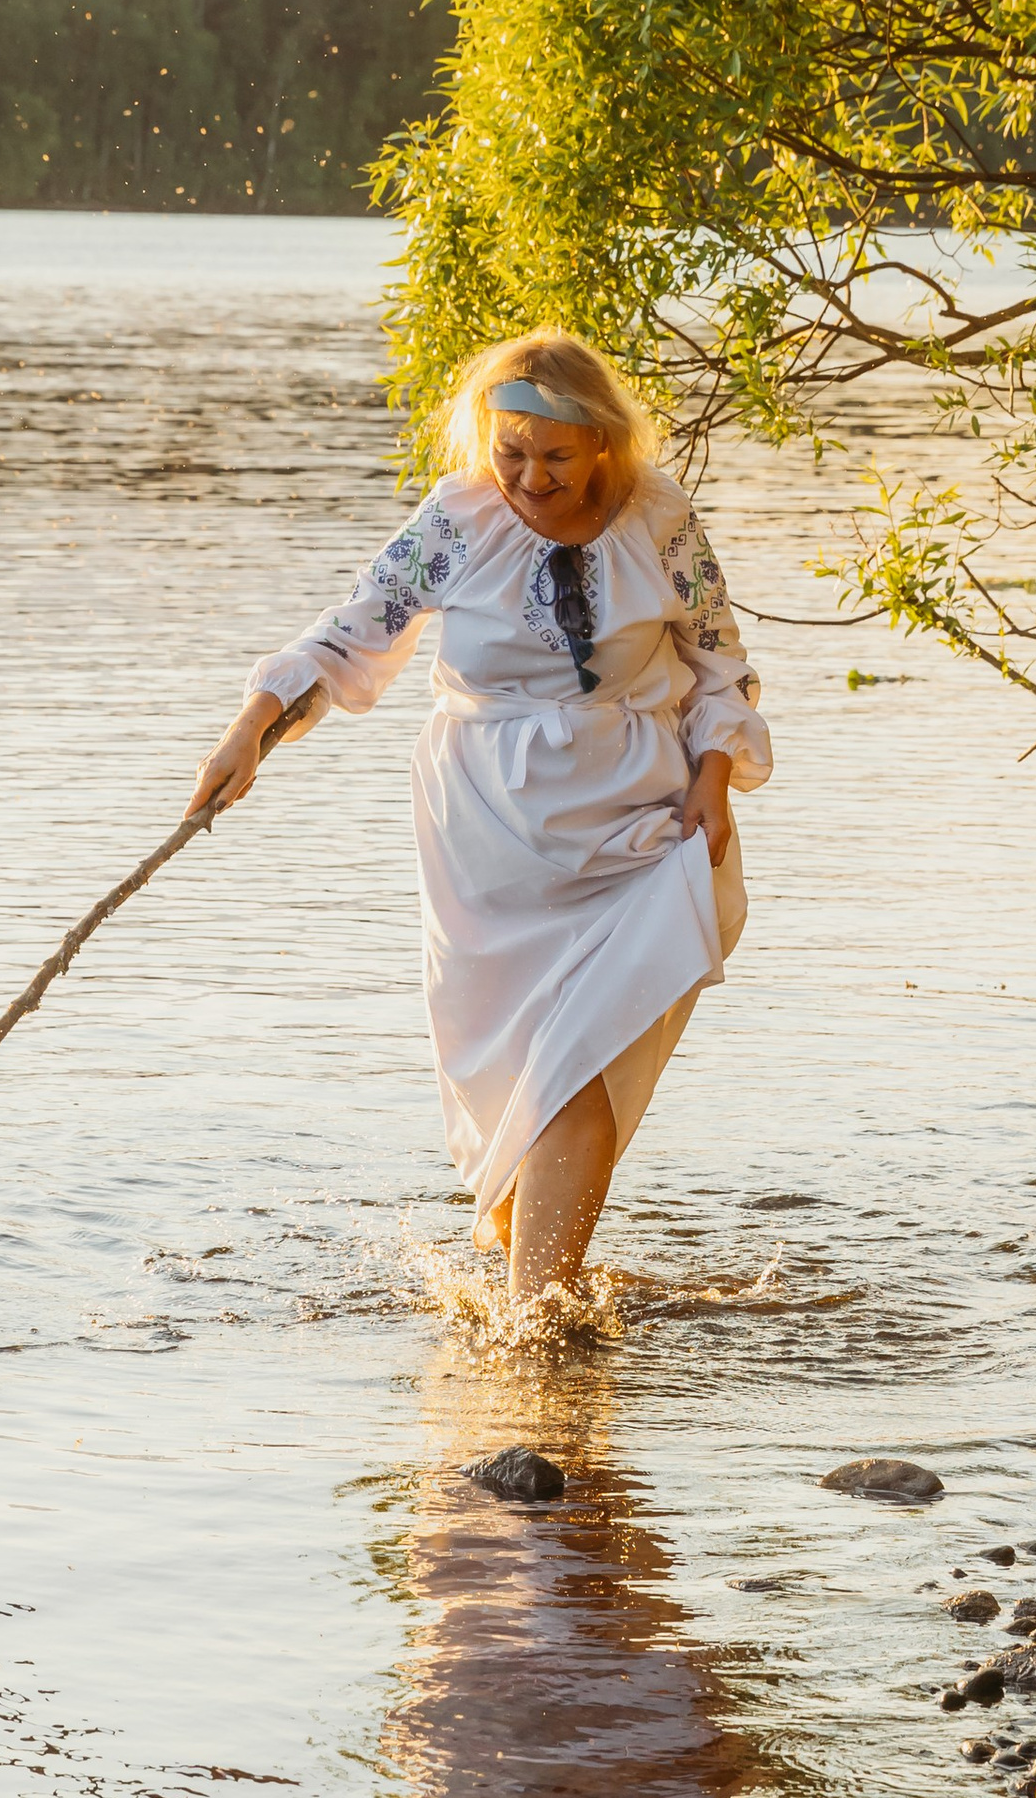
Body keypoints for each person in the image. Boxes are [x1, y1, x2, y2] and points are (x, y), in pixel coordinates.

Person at [189, 333, 771, 1305]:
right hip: (487, 835)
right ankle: (539, 1328)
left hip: (635, 820)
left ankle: (531, 1319)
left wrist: (712, 779)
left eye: (553, 456)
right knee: (518, 1067)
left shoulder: (658, 519)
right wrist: (249, 730)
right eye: (510, 452)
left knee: (582, 1054)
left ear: (601, 444)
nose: (529, 478)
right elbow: (349, 634)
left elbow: (719, 666)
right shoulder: (457, 517)